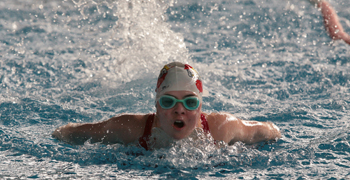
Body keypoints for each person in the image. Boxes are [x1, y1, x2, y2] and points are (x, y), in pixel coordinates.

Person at [52, 62, 281, 150]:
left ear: (200, 108)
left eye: (190, 102)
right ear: (156, 106)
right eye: (169, 101)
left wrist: (273, 131)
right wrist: (61, 133)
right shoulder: (132, 128)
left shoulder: (222, 128)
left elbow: (268, 130)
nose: (179, 110)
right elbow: (71, 133)